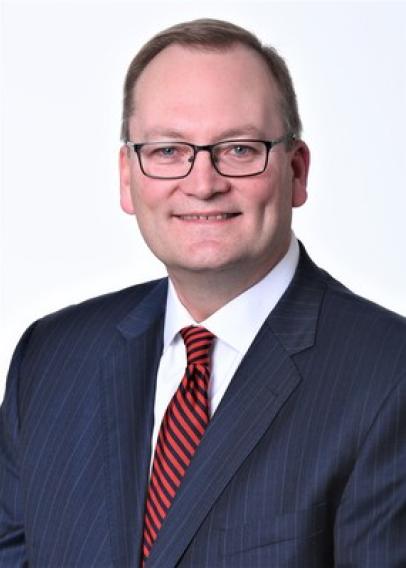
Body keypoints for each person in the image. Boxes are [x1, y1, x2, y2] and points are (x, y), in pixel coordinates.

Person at [0, 17, 405, 568]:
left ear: (297, 169)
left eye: (238, 149)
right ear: (128, 177)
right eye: (168, 151)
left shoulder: (388, 374)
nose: (203, 182)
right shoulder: (49, 360)